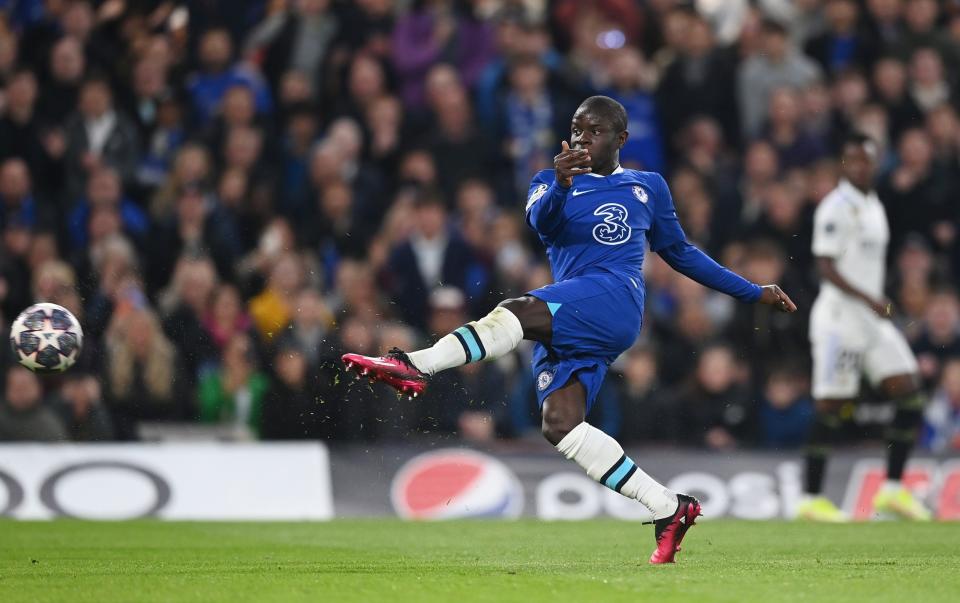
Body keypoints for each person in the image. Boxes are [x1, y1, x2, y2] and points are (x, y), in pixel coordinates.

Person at [343, 96, 797, 563]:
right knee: (560, 425)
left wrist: (751, 291)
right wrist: (561, 182)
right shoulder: (547, 181)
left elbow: (680, 253)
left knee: (515, 312)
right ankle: (668, 506)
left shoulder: (648, 186)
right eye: (577, 129)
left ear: (620, 139)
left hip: (615, 299)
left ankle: (414, 364)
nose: (582, 138)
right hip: (573, 311)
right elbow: (542, 224)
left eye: (594, 131)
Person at [799, 132, 931, 522]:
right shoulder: (835, 207)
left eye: (867, 160)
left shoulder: (873, 203)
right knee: (832, 408)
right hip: (840, 320)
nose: (860, 166)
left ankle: (891, 491)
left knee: (910, 394)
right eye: (853, 159)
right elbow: (824, 265)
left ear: (876, 162)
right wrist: (872, 298)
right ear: (844, 164)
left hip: (872, 321)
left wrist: (877, 300)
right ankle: (809, 497)